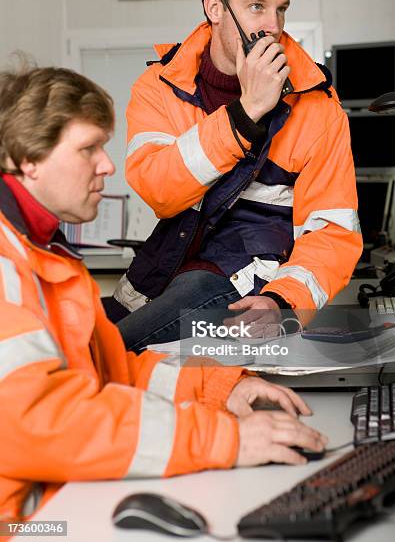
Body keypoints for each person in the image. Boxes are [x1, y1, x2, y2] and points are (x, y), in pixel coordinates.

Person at [0, 65, 328, 522]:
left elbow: (110, 373)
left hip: (56, 498)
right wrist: (225, 440)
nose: (108, 165)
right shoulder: (5, 265)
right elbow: (42, 424)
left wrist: (220, 389)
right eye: (88, 149)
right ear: (27, 159)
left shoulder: (44, 253)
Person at [108, 0, 362, 351]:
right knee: (86, 350)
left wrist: (283, 301)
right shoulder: (159, 88)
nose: (273, 25)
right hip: (164, 271)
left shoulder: (318, 107)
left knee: (104, 363)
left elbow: (332, 233)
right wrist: (245, 115)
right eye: (257, 7)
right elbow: (159, 192)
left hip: (247, 285)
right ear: (215, 8)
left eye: (281, 8)